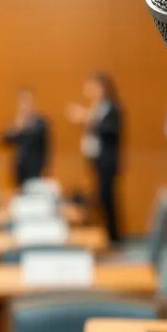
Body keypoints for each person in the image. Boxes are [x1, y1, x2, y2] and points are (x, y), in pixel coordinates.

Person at [67, 72, 123, 244]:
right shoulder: (96, 108)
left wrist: (86, 118)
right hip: (96, 159)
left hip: (107, 161)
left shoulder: (112, 108)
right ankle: (105, 234)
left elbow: (109, 130)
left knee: (107, 199)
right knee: (100, 198)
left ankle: (113, 237)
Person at [1, 87, 51, 188]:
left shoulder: (40, 122)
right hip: (19, 168)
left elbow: (32, 138)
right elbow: (5, 140)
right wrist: (15, 127)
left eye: (27, 101)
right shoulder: (16, 123)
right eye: (22, 101)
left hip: (36, 168)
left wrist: (20, 128)